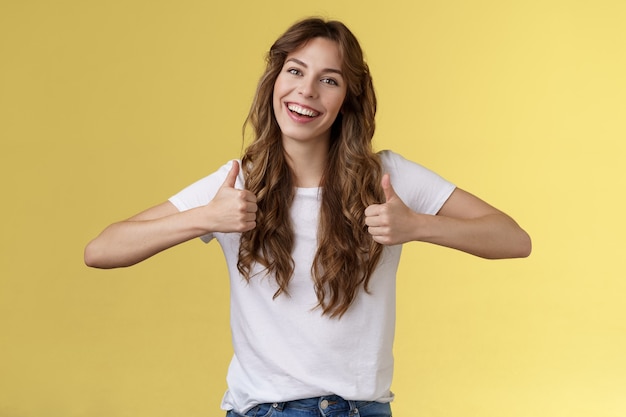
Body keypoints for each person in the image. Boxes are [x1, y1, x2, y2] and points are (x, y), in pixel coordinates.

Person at [85, 17, 531, 417]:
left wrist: (418, 225)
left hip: (363, 410)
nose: (306, 90)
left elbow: (513, 239)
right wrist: (204, 217)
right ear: (275, 81)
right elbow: (101, 250)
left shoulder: (387, 178)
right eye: (295, 71)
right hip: (267, 409)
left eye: (329, 80)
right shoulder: (236, 183)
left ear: (347, 100)